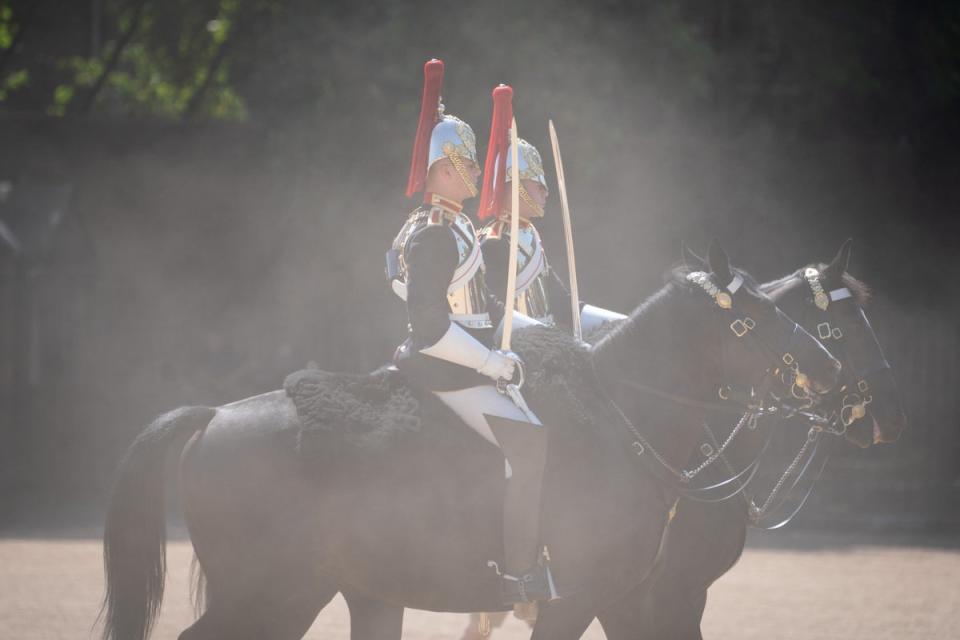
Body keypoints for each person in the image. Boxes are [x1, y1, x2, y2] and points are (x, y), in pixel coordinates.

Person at [387, 62, 556, 607]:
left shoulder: (444, 223)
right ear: (436, 168)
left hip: (468, 354)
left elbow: (396, 278)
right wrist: (492, 364)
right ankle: (519, 575)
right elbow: (431, 326)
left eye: (471, 162)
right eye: (460, 163)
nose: (474, 173)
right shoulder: (435, 231)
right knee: (529, 447)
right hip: (447, 365)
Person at [476, 88, 626, 336]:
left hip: (547, 346)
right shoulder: (494, 243)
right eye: (539, 186)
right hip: (520, 353)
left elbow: (564, 306)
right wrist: (558, 344)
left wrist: (622, 325)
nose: (546, 193)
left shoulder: (529, 235)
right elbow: (500, 319)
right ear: (516, 188)